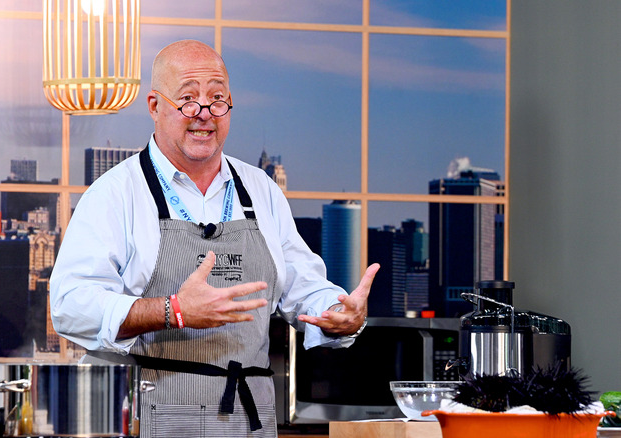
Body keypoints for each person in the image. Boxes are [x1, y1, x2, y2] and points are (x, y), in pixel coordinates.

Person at [49, 39, 380, 437]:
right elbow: (70, 306)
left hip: (249, 419)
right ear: (155, 106)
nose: (204, 115)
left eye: (217, 100)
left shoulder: (261, 190)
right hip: (148, 419)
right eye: (188, 99)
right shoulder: (114, 194)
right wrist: (173, 311)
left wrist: (337, 313)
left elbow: (302, 287)